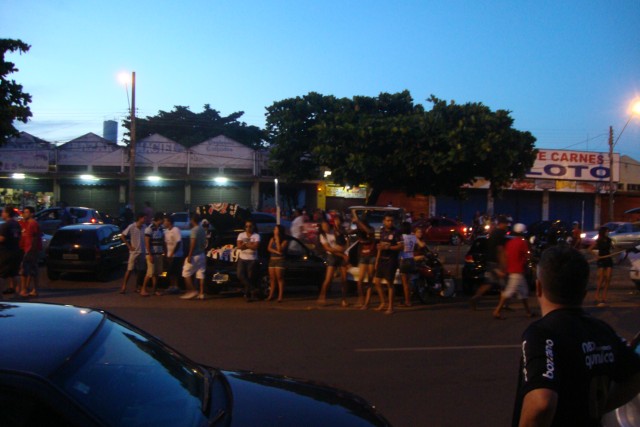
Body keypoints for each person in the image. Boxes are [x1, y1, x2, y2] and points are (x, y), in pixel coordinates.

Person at [512, 245, 640, 426]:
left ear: (539, 287)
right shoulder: (602, 330)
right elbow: (635, 374)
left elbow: (542, 403)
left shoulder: (542, 334)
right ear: (583, 292)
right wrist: (600, 407)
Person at [492, 223, 535, 319]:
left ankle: (528, 312)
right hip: (517, 270)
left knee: (523, 292)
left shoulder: (510, 243)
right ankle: (497, 311)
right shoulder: (522, 242)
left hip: (512, 269)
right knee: (509, 292)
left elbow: (506, 256)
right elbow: (528, 255)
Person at [365, 214, 403, 315]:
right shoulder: (382, 231)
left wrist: (389, 247)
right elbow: (380, 247)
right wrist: (377, 260)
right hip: (382, 259)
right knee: (376, 282)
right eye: (388, 220)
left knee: (389, 283)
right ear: (383, 221)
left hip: (391, 260)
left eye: (391, 221)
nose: (390, 222)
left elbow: (401, 246)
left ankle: (391, 307)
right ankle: (383, 302)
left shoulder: (396, 232)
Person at [470, 215, 509, 309]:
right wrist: (503, 264)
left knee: (489, 283)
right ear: (502, 224)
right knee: (504, 284)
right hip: (496, 262)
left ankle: (476, 297)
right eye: (505, 223)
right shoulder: (500, 233)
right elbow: (500, 249)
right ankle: (503, 305)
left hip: (490, 261)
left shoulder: (493, 233)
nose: (507, 225)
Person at [316, 218, 349, 307]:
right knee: (328, 279)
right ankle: (322, 297)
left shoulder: (334, 231)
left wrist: (343, 252)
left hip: (341, 255)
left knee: (344, 279)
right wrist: (341, 254)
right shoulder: (322, 235)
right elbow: (327, 248)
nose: (325, 227)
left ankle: (344, 299)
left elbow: (343, 241)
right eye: (323, 226)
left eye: (326, 225)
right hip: (332, 256)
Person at [181, 214, 208, 300]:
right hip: (202, 254)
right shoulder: (202, 230)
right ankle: (201, 293)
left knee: (185, 273)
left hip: (195, 255)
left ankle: (192, 290)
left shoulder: (194, 230)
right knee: (201, 274)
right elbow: (204, 243)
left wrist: (189, 255)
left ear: (193, 220)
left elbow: (193, 243)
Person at [352, 208, 376, 307]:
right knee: (360, 281)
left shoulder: (370, 229)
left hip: (371, 256)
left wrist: (358, 222)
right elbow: (347, 232)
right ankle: (361, 298)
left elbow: (369, 232)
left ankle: (366, 302)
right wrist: (354, 213)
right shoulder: (359, 231)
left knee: (370, 280)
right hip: (363, 256)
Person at [119, 213, 147, 294]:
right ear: (140, 218)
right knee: (129, 269)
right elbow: (122, 236)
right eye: (144, 218)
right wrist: (129, 246)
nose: (145, 220)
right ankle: (124, 286)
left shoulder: (144, 227)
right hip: (134, 252)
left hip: (142, 251)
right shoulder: (132, 226)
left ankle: (137, 286)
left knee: (140, 270)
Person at [140, 212, 166, 297]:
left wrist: (163, 251)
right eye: (163, 219)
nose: (163, 221)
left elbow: (162, 241)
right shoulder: (150, 228)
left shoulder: (161, 228)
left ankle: (155, 290)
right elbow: (147, 243)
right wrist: (150, 254)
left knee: (156, 273)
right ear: (160, 219)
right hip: (152, 254)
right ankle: (143, 289)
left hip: (158, 253)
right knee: (149, 273)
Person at [18, 206, 42, 297]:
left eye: (26, 212)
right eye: (24, 212)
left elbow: (35, 238)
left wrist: (31, 250)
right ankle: (34, 289)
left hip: (30, 250)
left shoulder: (32, 224)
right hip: (29, 249)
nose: (24, 214)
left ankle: (24, 290)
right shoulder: (27, 223)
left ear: (32, 213)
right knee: (33, 270)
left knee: (24, 270)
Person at [588, 225, 614, 306]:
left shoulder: (609, 240)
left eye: (608, 231)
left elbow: (613, 248)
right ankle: (596, 295)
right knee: (601, 277)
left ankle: (604, 296)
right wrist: (596, 256)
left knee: (608, 277)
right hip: (601, 259)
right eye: (606, 231)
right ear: (603, 232)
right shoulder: (598, 241)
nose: (608, 233)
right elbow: (589, 249)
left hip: (608, 259)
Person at [0, 206, 23, 296]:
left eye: (3, 212)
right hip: (16, 251)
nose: (2, 214)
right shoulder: (16, 224)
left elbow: (2, 239)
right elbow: (19, 237)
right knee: (14, 273)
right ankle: (16, 293)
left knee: (1, 274)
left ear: (7, 213)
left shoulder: (5, 225)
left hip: (6, 252)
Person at [236, 220, 261, 302]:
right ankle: (253, 289)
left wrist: (245, 245)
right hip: (242, 258)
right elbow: (239, 246)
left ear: (253, 227)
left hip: (252, 259)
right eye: (246, 226)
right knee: (240, 275)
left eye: (250, 226)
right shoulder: (241, 235)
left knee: (250, 277)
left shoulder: (256, 236)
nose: (248, 228)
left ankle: (248, 295)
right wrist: (250, 245)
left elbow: (255, 247)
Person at [267, 224, 288, 302]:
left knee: (279, 278)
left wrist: (278, 239)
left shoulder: (284, 240)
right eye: (274, 229)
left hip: (280, 260)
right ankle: (271, 295)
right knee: (272, 278)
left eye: (275, 229)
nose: (274, 231)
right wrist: (275, 251)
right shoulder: (272, 239)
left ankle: (280, 296)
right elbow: (269, 248)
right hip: (272, 260)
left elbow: (280, 249)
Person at [163, 214, 183, 295]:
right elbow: (165, 242)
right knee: (170, 272)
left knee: (175, 271)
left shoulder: (176, 230)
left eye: (165, 221)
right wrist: (166, 253)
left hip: (176, 255)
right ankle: (172, 286)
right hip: (169, 255)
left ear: (169, 222)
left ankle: (176, 286)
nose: (164, 222)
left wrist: (172, 253)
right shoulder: (166, 231)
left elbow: (178, 242)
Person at [399, 222, 417, 307]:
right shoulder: (413, 237)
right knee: (409, 282)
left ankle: (407, 301)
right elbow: (416, 247)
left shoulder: (402, 237)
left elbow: (400, 247)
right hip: (412, 259)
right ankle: (409, 299)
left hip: (404, 259)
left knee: (405, 284)